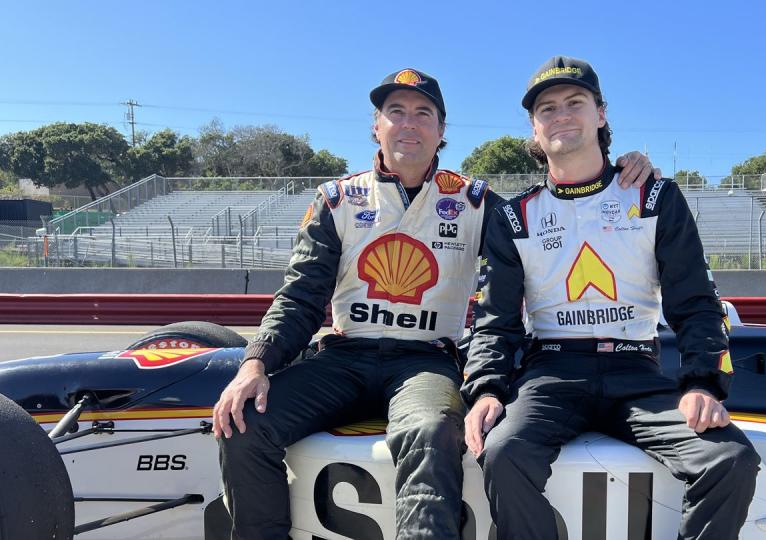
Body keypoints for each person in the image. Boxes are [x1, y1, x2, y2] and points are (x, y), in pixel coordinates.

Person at [212, 67, 661, 540]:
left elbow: (562, 207)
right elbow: (301, 297)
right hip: (344, 356)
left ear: (442, 130)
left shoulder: (476, 201)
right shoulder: (337, 199)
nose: (409, 123)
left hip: (426, 362)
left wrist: (623, 174)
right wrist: (256, 362)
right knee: (244, 424)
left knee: (430, 433)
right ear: (376, 124)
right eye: (396, 112)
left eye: (423, 113)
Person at [462, 56, 760, 540]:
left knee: (732, 458)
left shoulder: (655, 197)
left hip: (636, 369)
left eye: (574, 102)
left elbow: (696, 303)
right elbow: (495, 319)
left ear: (600, 114)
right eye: (547, 108)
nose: (561, 115)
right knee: (503, 453)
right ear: (534, 130)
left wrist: (703, 383)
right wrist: (487, 389)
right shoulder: (513, 217)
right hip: (550, 371)